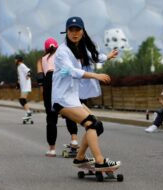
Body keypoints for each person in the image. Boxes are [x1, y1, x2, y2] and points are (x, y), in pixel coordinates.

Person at [52, 16, 121, 170]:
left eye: (78, 30)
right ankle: (100, 161)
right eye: (71, 30)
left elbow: (92, 57)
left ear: (83, 31)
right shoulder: (62, 52)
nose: (75, 33)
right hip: (62, 99)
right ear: (67, 32)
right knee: (92, 124)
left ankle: (80, 157)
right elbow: (72, 71)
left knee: (98, 126)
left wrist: (107, 57)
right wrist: (96, 76)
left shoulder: (79, 48)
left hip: (72, 98)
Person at [36, 37, 78, 157]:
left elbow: (40, 79)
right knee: (69, 112)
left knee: (51, 118)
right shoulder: (62, 54)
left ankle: (52, 149)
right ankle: (74, 140)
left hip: (49, 82)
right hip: (62, 80)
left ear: (45, 48)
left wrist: (45, 95)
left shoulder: (42, 59)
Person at [15, 55, 32, 120]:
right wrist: (18, 85)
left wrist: (28, 75)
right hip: (23, 86)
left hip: (26, 86)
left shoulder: (22, 65)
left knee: (22, 100)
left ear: (18, 60)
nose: (15, 61)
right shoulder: (19, 67)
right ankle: (28, 112)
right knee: (22, 100)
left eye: (15, 59)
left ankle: (28, 112)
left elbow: (29, 71)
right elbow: (19, 77)